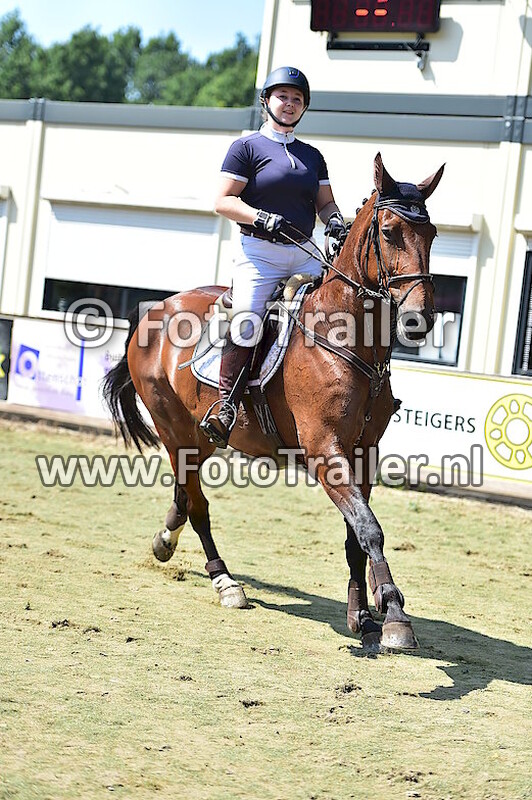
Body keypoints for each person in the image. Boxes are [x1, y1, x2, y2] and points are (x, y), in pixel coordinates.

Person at [200, 66, 346, 448]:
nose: (290, 104)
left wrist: (335, 223)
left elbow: (326, 203)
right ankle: (225, 404)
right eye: (283, 96)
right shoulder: (247, 147)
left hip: (304, 254)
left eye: (297, 99)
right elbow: (223, 201)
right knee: (247, 318)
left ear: (303, 108)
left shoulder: (312, 156)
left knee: (339, 313)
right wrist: (260, 217)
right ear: (267, 101)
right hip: (260, 255)